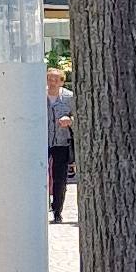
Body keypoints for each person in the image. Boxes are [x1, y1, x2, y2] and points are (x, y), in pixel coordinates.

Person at [46, 66, 75, 222]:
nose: (52, 82)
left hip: (62, 142)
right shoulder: (37, 95)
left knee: (60, 178)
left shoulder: (70, 97)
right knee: (39, 175)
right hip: (42, 141)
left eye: (56, 79)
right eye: (49, 79)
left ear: (62, 82)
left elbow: (78, 116)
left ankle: (57, 210)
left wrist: (70, 120)